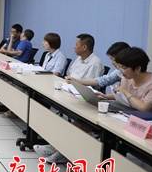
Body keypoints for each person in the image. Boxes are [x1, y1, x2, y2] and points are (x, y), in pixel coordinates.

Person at [34, 33, 105, 163]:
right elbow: (70, 74)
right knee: (61, 120)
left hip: (83, 99)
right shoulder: (79, 59)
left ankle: (59, 151)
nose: (73, 47)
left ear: (84, 47)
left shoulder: (95, 63)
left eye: (76, 44)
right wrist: (69, 80)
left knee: (77, 124)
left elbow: (89, 87)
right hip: (71, 92)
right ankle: (56, 147)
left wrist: (72, 82)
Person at [100, 47, 152, 117]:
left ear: (138, 68)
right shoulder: (127, 78)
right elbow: (122, 97)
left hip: (150, 120)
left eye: (124, 68)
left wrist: (126, 92)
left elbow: (143, 107)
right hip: (128, 114)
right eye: (119, 67)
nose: (121, 71)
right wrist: (105, 97)